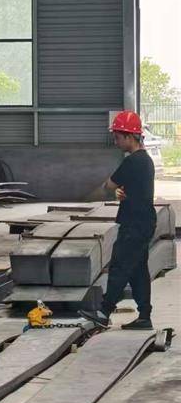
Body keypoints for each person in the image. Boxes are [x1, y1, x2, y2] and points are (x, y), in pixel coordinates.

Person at [81, 110, 156, 330]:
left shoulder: (132, 161)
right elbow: (131, 188)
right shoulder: (146, 161)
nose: (116, 142)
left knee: (120, 266)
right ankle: (144, 317)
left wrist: (110, 190)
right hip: (144, 222)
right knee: (138, 270)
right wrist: (122, 192)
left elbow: (109, 185)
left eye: (117, 137)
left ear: (129, 136)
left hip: (134, 224)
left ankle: (103, 312)